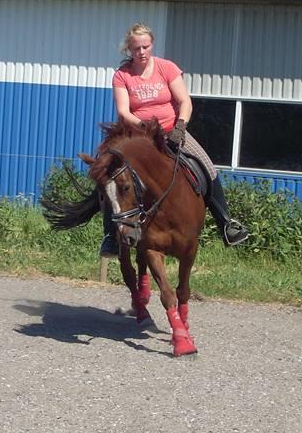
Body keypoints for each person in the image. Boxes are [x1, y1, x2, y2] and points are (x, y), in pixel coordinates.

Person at [100, 22, 249, 257]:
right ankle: (110, 235)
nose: (141, 53)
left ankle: (227, 224)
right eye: (136, 48)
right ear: (129, 49)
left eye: (145, 47)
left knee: (207, 165)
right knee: (110, 173)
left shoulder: (166, 68)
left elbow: (185, 101)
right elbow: (124, 112)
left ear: (152, 45)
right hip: (140, 136)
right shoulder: (122, 75)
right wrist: (145, 126)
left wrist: (181, 125)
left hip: (172, 130)